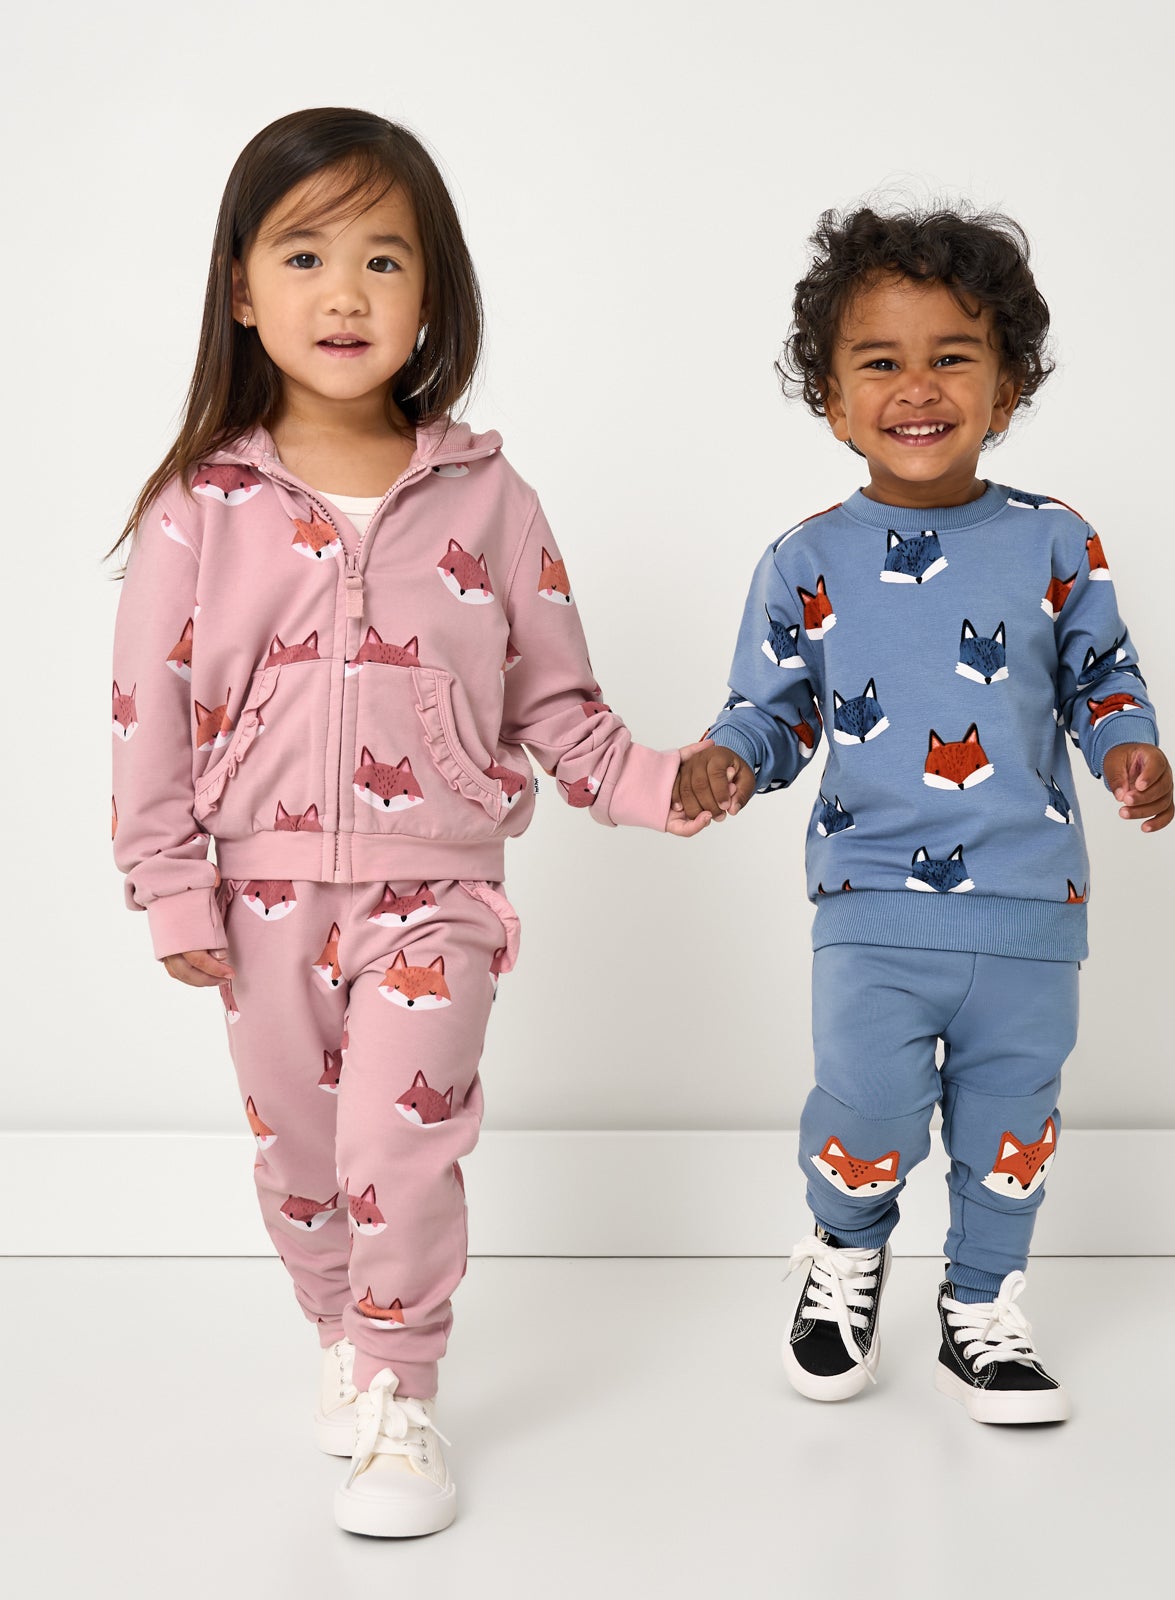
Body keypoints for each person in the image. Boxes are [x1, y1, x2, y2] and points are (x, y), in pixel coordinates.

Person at [109, 107, 708, 1537]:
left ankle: (399, 1392)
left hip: (435, 893)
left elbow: (558, 703)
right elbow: (146, 710)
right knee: (302, 1160)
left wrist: (657, 783)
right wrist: (171, 886)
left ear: (432, 292)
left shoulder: (489, 497)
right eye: (304, 255)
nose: (345, 292)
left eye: (384, 259)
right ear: (240, 290)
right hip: (257, 896)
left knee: (400, 1148)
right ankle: (337, 1325)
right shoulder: (202, 506)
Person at [674, 204, 1174, 1425]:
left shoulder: (1053, 541)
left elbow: (1100, 675)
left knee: (1011, 1124)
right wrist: (729, 759)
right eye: (878, 361)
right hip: (871, 904)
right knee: (867, 1108)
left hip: (1029, 904)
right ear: (832, 401)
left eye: (951, 356)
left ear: (1007, 388)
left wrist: (1128, 745)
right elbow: (773, 708)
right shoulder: (805, 559)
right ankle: (842, 1257)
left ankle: (981, 1307)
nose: (916, 387)